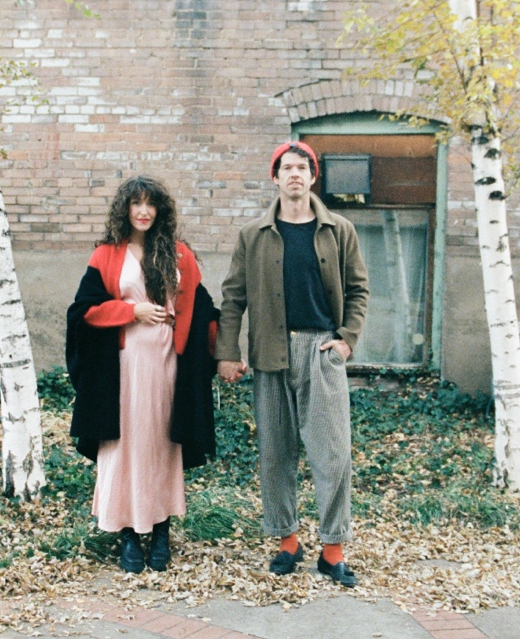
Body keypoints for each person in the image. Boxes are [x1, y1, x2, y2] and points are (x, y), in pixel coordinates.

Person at [216, 141, 369, 587]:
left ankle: (333, 549)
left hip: (322, 352)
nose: (295, 175)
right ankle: (287, 542)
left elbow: (359, 291)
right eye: (287, 168)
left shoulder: (339, 230)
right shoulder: (253, 235)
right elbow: (233, 298)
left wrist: (346, 341)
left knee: (333, 454)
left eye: (303, 168)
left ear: (313, 176)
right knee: (276, 455)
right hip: (270, 354)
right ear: (275, 177)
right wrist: (228, 352)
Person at [66, 175, 218, 574]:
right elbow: (83, 311)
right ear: (126, 209)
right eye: (136, 204)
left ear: (160, 210)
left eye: (151, 204)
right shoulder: (106, 255)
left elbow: (202, 310)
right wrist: (130, 311)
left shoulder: (181, 255)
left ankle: (162, 531)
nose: (144, 211)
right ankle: (129, 534)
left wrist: (223, 355)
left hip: (168, 362)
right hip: (124, 366)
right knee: (127, 445)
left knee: (162, 446)